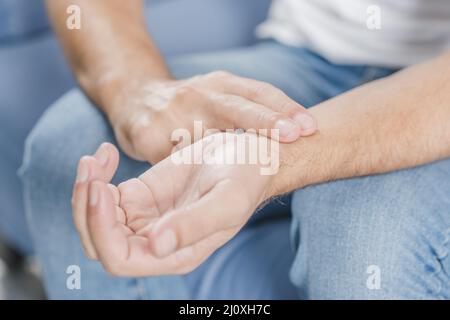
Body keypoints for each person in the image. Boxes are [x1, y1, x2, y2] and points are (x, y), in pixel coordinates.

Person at [21, 0, 450, 299]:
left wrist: (269, 159)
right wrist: (135, 91)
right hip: (311, 55)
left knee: (360, 233)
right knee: (71, 148)